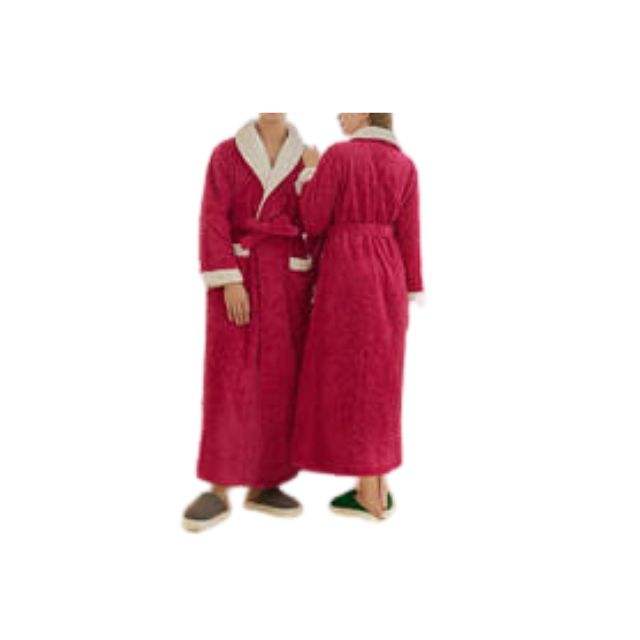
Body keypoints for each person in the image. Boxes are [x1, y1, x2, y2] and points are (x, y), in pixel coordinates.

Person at [183, 114, 313, 532]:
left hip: (287, 280)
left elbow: (315, 220)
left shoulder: (305, 157)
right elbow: (212, 217)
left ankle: (266, 481)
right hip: (238, 273)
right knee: (229, 380)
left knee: (279, 380)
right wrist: (228, 279)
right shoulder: (226, 154)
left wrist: (312, 176)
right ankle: (219, 486)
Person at [292, 113, 423, 520]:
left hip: (347, 275)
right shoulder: (405, 165)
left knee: (349, 377)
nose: (340, 115)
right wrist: (410, 288)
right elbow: (410, 234)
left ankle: (370, 493)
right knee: (380, 379)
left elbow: (313, 219)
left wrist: (310, 173)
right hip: (389, 275)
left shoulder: (339, 156)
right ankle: (376, 484)